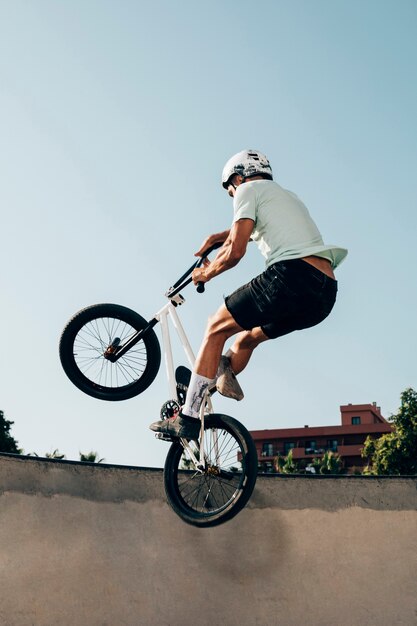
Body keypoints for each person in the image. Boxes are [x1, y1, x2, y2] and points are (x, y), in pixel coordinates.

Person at [150, 149, 347, 439]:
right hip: (323, 294)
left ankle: (188, 417)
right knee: (247, 337)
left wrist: (205, 273)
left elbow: (235, 251)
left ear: (237, 177)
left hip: (292, 276)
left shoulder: (247, 189)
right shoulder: (285, 196)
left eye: (231, 192)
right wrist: (216, 238)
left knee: (215, 327)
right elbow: (240, 231)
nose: (233, 197)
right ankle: (218, 376)